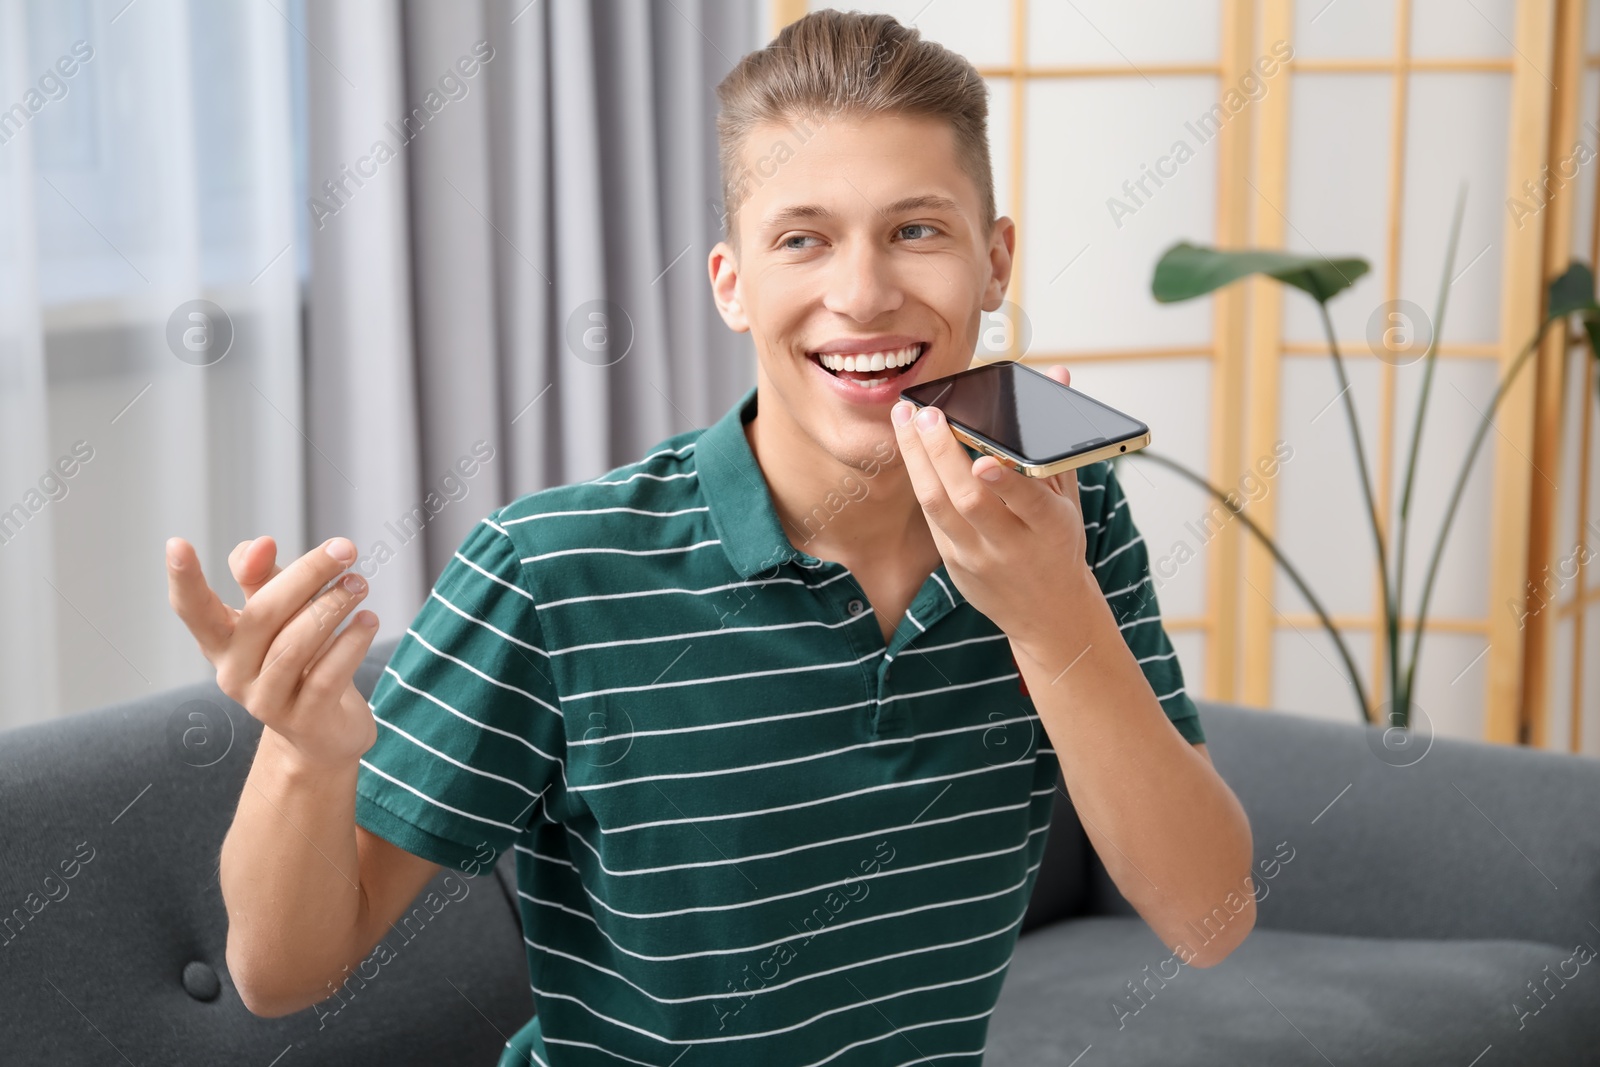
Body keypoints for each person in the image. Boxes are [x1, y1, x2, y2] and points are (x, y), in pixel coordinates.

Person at [166, 10, 1254, 1064]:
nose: (863, 293)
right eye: (802, 239)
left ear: (996, 261)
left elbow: (1209, 918)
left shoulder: (1059, 517)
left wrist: (1053, 615)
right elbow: (279, 972)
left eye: (915, 230)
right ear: (733, 284)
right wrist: (303, 751)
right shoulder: (553, 572)